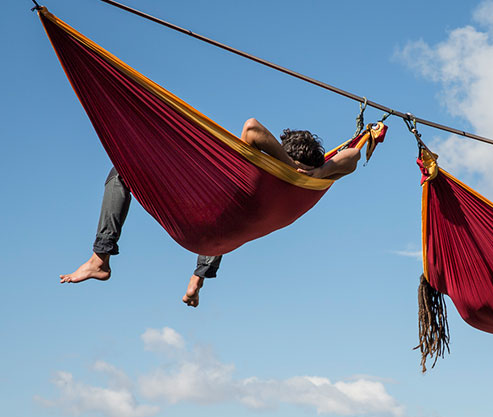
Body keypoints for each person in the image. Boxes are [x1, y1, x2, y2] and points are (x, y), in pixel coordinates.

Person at [60, 119, 361, 306]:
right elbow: (353, 156)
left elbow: (252, 128)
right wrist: (318, 170)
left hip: (201, 223)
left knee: (123, 170)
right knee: (230, 210)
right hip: (221, 238)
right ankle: (196, 282)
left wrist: (283, 165)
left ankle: (100, 258)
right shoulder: (314, 182)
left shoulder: (261, 172)